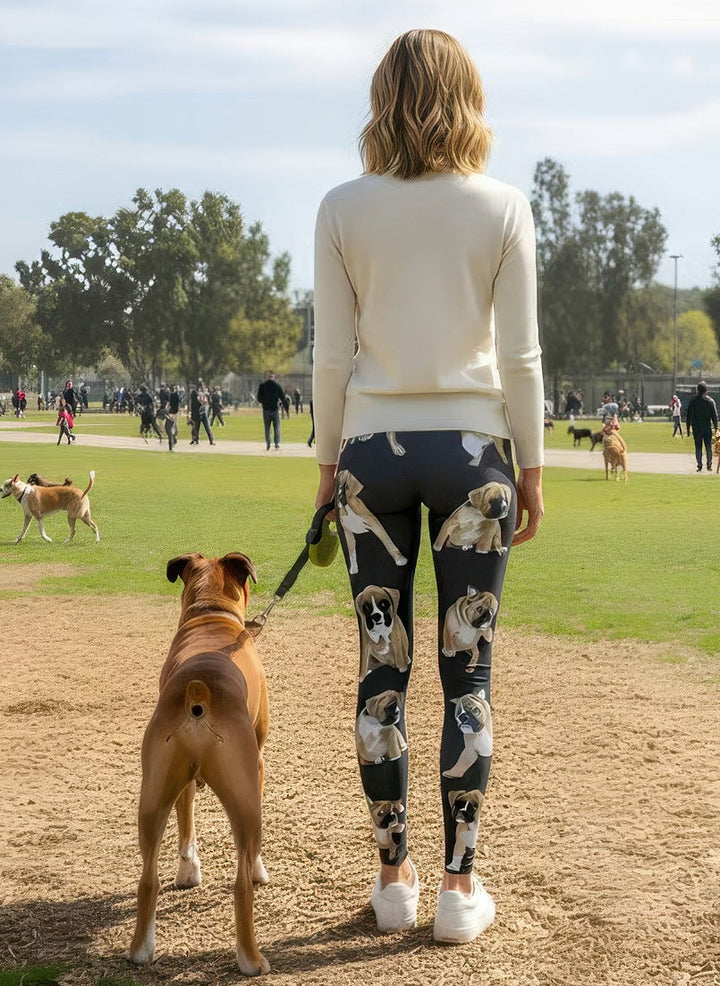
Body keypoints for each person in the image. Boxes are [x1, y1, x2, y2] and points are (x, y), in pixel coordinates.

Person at [312, 30, 544, 945]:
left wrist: (328, 464)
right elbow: (521, 357)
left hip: (373, 449)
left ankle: (393, 877)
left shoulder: (341, 207)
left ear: (382, 99)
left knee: (383, 672)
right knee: (467, 676)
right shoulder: (503, 206)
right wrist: (530, 469)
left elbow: (332, 354)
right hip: (474, 455)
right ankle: (458, 888)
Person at [685, 381, 718, 472]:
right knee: (708, 446)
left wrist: (688, 429)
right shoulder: (710, 401)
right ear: (706, 390)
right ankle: (709, 464)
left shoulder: (693, 401)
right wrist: (716, 428)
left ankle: (699, 464)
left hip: (697, 428)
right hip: (707, 427)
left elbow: (689, 416)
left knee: (698, 446)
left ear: (697, 390)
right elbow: (714, 416)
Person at [256, 370, 284, 450]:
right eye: (270, 376)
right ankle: (276, 443)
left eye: (271, 376)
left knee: (268, 428)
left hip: (266, 409)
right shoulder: (277, 386)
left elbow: (259, 398)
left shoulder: (262, 385)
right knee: (276, 427)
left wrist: (264, 402)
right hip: (274, 409)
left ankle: (269, 443)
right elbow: (282, 397)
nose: (270, 378)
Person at [165, 385, 181, 450]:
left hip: (171, 412)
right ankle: (173, 438)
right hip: (175, 412)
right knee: (175, 426)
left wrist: (166, 409)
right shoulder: (176, 395)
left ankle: (173, 439)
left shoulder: (170, 395)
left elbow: (169, 403)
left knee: (171, 426)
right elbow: (178, 404)